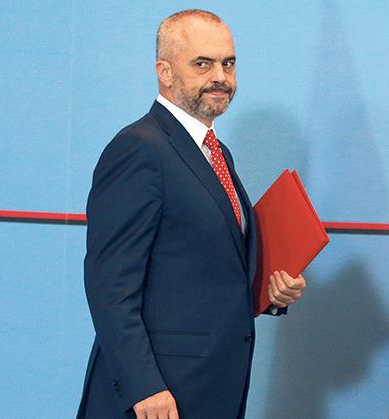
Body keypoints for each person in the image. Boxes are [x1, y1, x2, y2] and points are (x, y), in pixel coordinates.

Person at [77, 9, 306, 419]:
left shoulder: (217, 153)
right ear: (164, 71)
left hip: (212, 389)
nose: (220, 76)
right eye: (202, 64)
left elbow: (208, 270)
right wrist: (144, 386)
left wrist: (271, 293)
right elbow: (109, 286)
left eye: (228, 63)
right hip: (155, 398)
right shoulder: (138, 148)